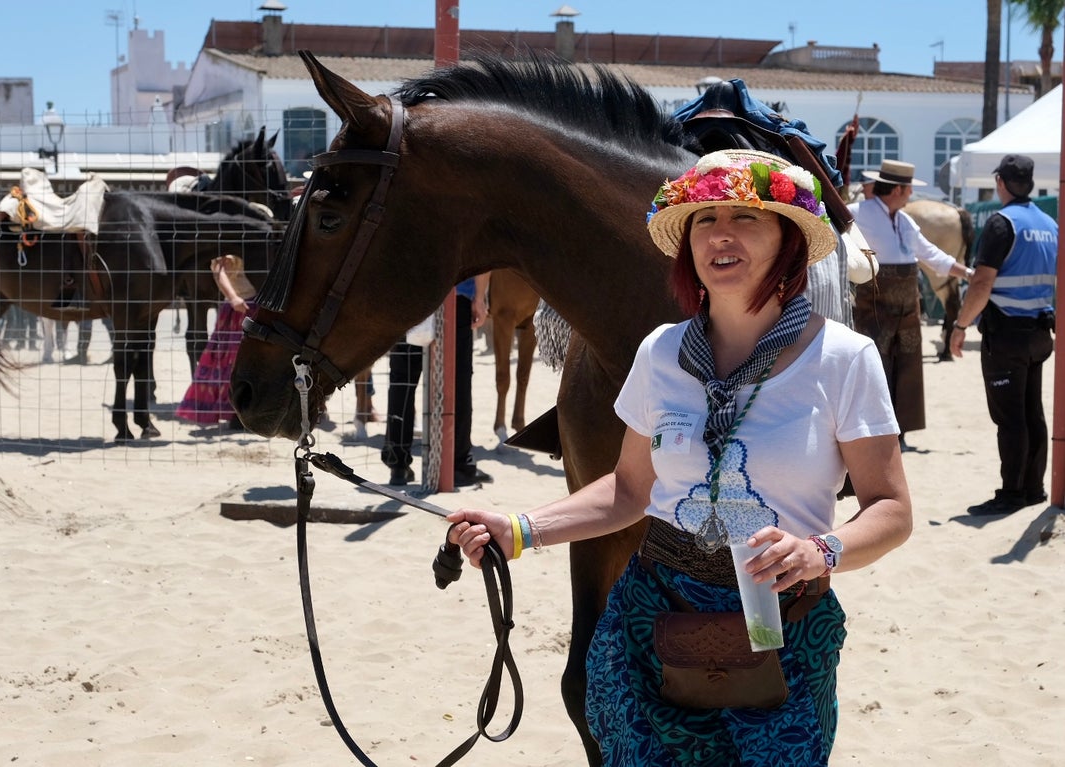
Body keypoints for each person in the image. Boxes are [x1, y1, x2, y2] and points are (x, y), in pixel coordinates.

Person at [447, 149, 912, 765]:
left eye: (747, 216)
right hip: (650, 618)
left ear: (790, 241)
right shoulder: (660, 353)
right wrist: (523, 530)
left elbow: (891, 509)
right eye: (703, 218)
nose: (721, 233)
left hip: (782, 627)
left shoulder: (844, 359)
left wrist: (818, 551)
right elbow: (629, 489)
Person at [950, 154, 1058, 516]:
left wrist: (961, 325)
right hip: (1040, 332)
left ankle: (1012, 493)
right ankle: (1034, 488)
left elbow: (982, 283)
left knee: (1010, 419)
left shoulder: (1002, 223)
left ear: (1000, 182)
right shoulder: (1049, 223)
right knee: (1032, 413)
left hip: (1006, 334)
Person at [849, 159, 974, 449]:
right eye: (908, 190)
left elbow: (931, 254)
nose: (910, 196)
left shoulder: (905, 221)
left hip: (907, 306)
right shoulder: (857, 214)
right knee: (876, 365)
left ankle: (899, 431)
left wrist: (967, 272)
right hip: (874, 305)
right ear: (897, 190)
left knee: (906, 366)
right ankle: (872, 431)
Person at [380, 273, 493, 487]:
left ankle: (398, 465)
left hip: (408, 294)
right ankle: (459, 465)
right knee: (458, 379)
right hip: (455, 294)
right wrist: (480, 297)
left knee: (402, 379)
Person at [176, 254, 256, 429]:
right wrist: (233, 297)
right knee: (231, 362)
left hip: (255, 306)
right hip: (239, 307)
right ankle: (235, 411)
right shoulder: (227, 247)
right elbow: (219, 271)